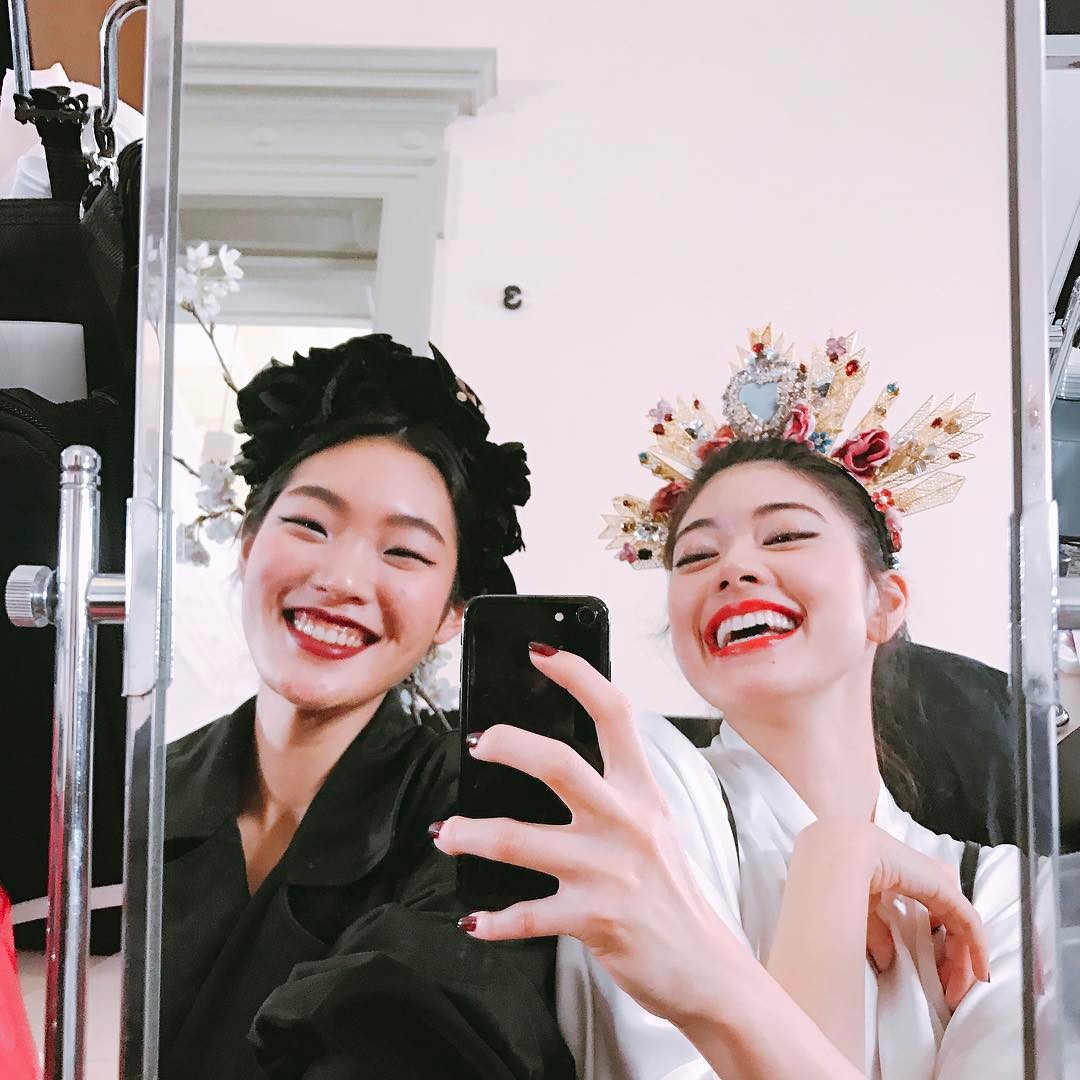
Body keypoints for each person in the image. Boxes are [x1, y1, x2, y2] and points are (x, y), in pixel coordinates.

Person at [435, 328, 1039, 1079]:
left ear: (885, 603)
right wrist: (834, 865)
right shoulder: (640, 791)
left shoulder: (1001, 891)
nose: (735, 567)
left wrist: (836, 856)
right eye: (696, 554)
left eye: (785, 536)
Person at [154, 335, 574, 1079]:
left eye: (404, 552)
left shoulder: (483, 815)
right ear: (248, 543)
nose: (342, 579)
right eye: (309, 525)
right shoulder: (134, 792)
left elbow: (445, 1018)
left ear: (452, 613)